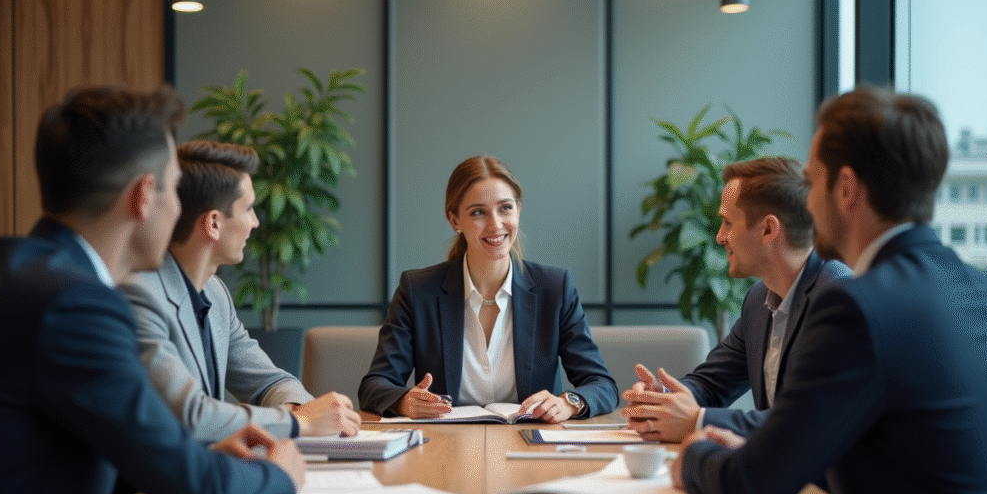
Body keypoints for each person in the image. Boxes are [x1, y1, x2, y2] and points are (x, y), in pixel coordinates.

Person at [672, 86, 987, 494]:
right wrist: (754, 448)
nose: (807, 201)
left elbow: (751, 488)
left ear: (845, 189)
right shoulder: (979, 289)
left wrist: (695, 453)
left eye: (812, 179)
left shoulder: (859, 308)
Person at [0, 85, 305, 494]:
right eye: (174, 188)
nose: (182, 208)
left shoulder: (18, 271)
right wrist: (280, 473)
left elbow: (58, 449)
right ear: (143, 196)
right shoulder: (76, 305)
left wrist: (182, 459)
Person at [119, 140, 360, 442]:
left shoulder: (216, 294)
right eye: (248, 209)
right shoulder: (139, 294)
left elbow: (269, 381)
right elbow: (192, 416)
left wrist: (300, 408)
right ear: (214, 224)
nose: (256, 222)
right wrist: (298, 421)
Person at [358, 155, 619, 421]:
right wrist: (403, 402)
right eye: (478, 212)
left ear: (518, 209)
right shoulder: (418, 291)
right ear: (454, 220)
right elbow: (375, 385)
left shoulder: (555, 288)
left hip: (533, 444)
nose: (495, 225)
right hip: (444, 445)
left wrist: (569, 402)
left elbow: (602, 384)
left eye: (505, 208)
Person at [621, 157, 850, 441]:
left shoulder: (839, 298)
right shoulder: (758, 300)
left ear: (768, 229)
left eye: (728, 222)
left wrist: (698, 420)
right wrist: (664, 399)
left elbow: (809, 418)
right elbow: (712, 383)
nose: (719, 237)